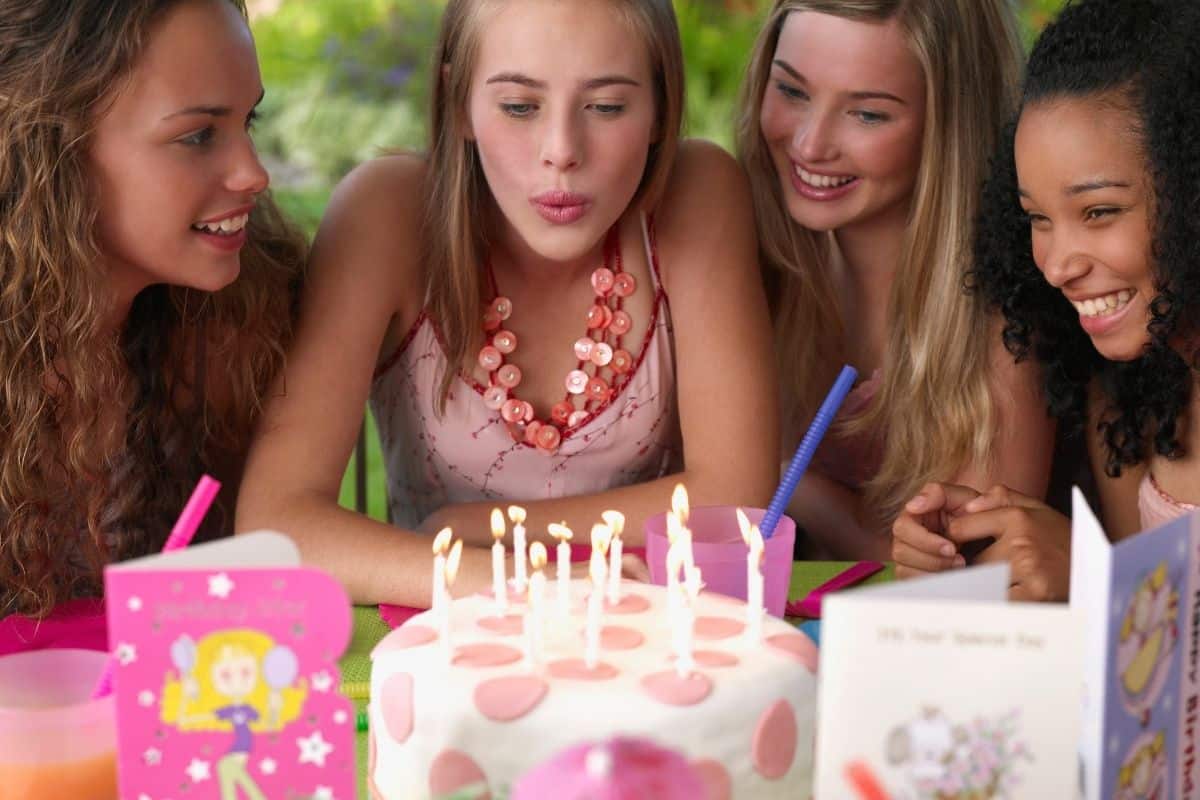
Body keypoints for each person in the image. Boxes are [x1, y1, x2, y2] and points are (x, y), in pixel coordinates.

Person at [237, 0, 779, 606]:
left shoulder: (695, 195)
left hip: (654, 642)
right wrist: (532, 586)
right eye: (519, 106)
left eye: (606, 106)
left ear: (659, 108)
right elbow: (277, 526)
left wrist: (470, 529)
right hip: (437, 657)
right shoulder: (386, 214)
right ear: (458, 103)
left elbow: (738, 503)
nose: (562, 150)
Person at [0, 0, 305, 631]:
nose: (254, 173)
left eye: (249, 121)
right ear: (50, 148)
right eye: (197, 135)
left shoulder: (228, 324)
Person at [891, 0, 1199, 600]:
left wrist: (1097, 576)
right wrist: (972, 552)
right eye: (1037, 218)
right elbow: (1143, 671)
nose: (1057, 266)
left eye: (1100, 212)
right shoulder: (1128, 392)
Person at [735, 0, 1054, 561]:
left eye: (869, 115)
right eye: (791, 91)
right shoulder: (749, 257)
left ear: (950, 125)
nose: (810, 144)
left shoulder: (1005, 322)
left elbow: (971, 574)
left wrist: (798, 490)